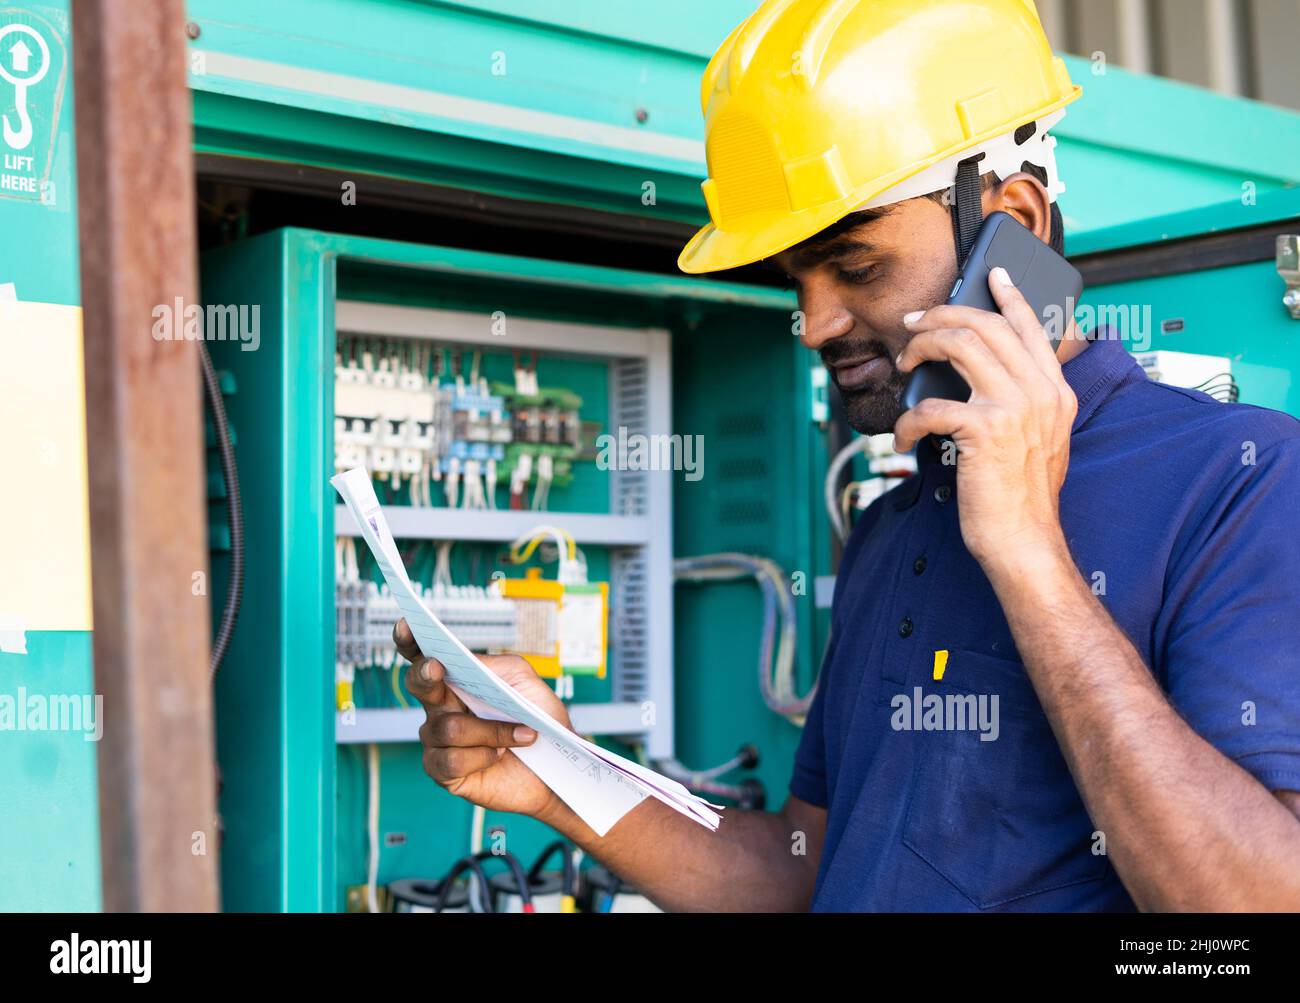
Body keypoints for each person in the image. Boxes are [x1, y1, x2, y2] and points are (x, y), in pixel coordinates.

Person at [396, 0, 1300, 910]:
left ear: (1014, 222)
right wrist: (556, 774)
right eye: (799, 281)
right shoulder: (891, 527)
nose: (814, 323)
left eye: (857, 267)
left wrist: (1030, 554)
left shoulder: (1240, 482)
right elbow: (802, 872)